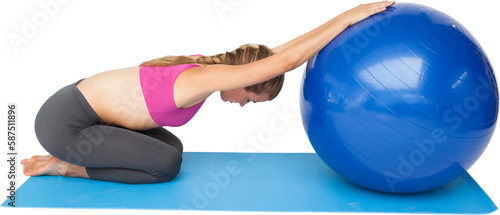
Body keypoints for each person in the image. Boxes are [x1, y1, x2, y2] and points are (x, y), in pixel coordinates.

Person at [21, 1, 395, 184]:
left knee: (171, 148)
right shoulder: (202, 79)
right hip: (67, 125)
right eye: (251, 97)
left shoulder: (218, 65)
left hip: (76, 109)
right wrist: (349, 16)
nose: (244, 104)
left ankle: (72, 159)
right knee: (165, 167)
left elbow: (277, 53)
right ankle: (65, 166)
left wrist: (336, 24)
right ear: (242, 78)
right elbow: (281, 63)